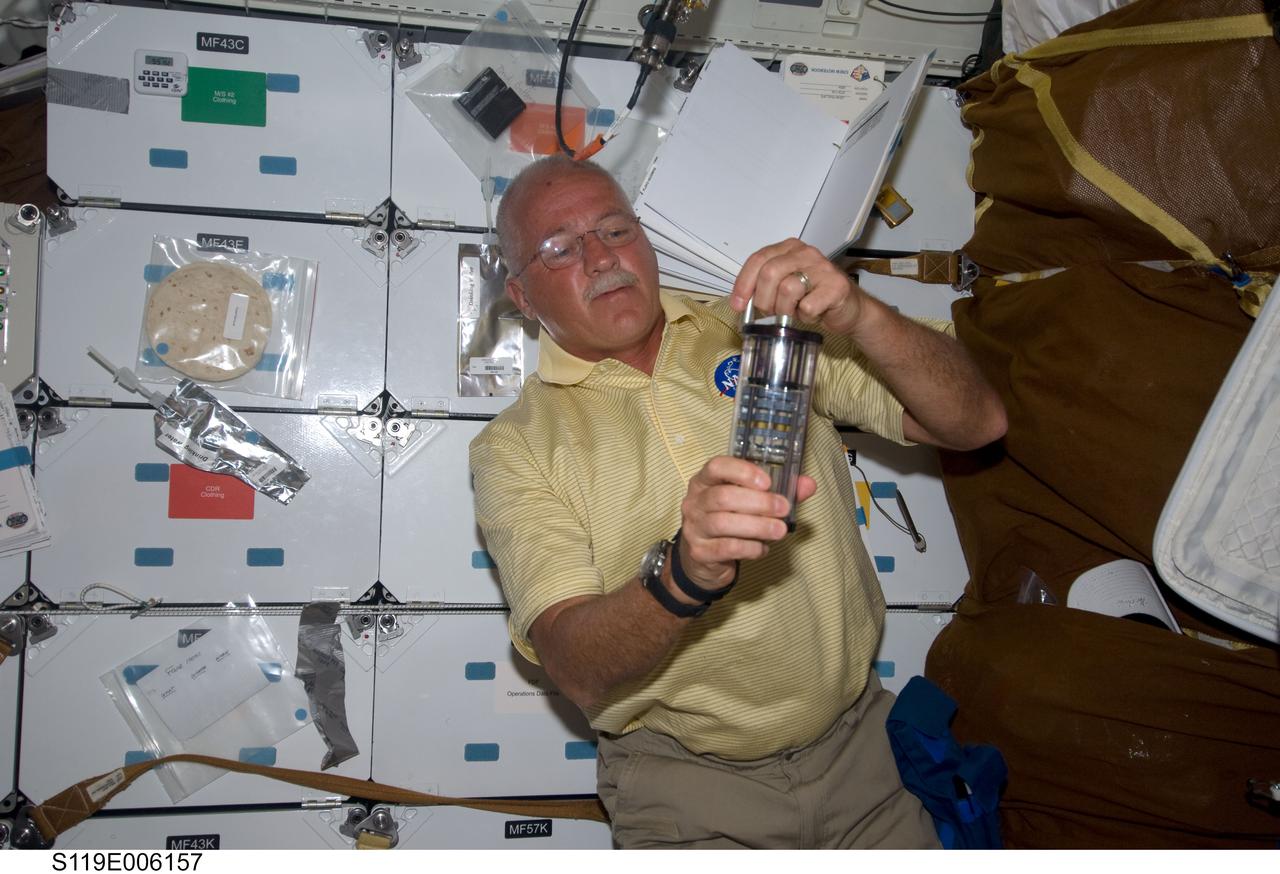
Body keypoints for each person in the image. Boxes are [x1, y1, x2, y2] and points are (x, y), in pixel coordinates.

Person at [470, 155, 1007, 849]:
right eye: (560, 247)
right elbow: (575, 667)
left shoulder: (763, 331)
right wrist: (684, 573)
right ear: (520, 292)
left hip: (864, 757)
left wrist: (863, 313)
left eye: (613, 228)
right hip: (686, 791)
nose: (601, 257)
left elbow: (976, 422)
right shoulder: (515, 446)